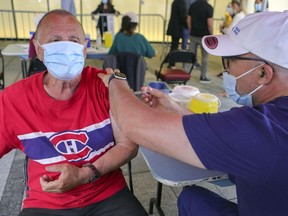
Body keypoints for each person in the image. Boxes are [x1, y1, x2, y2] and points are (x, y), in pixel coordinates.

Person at [98, 11, 288, 216]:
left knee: (190, 198)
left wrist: (115, 80)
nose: (227, 71)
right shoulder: (271, 123)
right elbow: (224, 136)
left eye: (229, 60)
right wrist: (176, 109)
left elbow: (134, 124)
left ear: (263, 73)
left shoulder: (260, 129)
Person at [0, 9, 148, 216]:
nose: (66, 46)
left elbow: (128, 145)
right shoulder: (12, 101)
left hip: (107, 193)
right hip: (46, 202)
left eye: (73, 39)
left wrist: (85, 174)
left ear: (84, 48)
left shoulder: (105, 85)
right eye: (55, 39)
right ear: (38, 49)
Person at [187, 0, 213, 83]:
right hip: (204, 36)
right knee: (205, 56)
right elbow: (209, 24)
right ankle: (203, 77)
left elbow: (188, 20)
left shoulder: (193, 5)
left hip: (193, 35)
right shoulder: (209, 7)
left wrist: (190, 30)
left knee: (189, 55)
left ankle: (186, 74)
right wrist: (211, 35)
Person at [166, 0, 187, 67]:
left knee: (174, 45)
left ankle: (170, 61)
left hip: (174, 26)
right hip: (177, 27)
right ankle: (171, 63)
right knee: (174, 46)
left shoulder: (175, 1)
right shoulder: (181, 2)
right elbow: (182, 16)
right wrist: (188, 25)